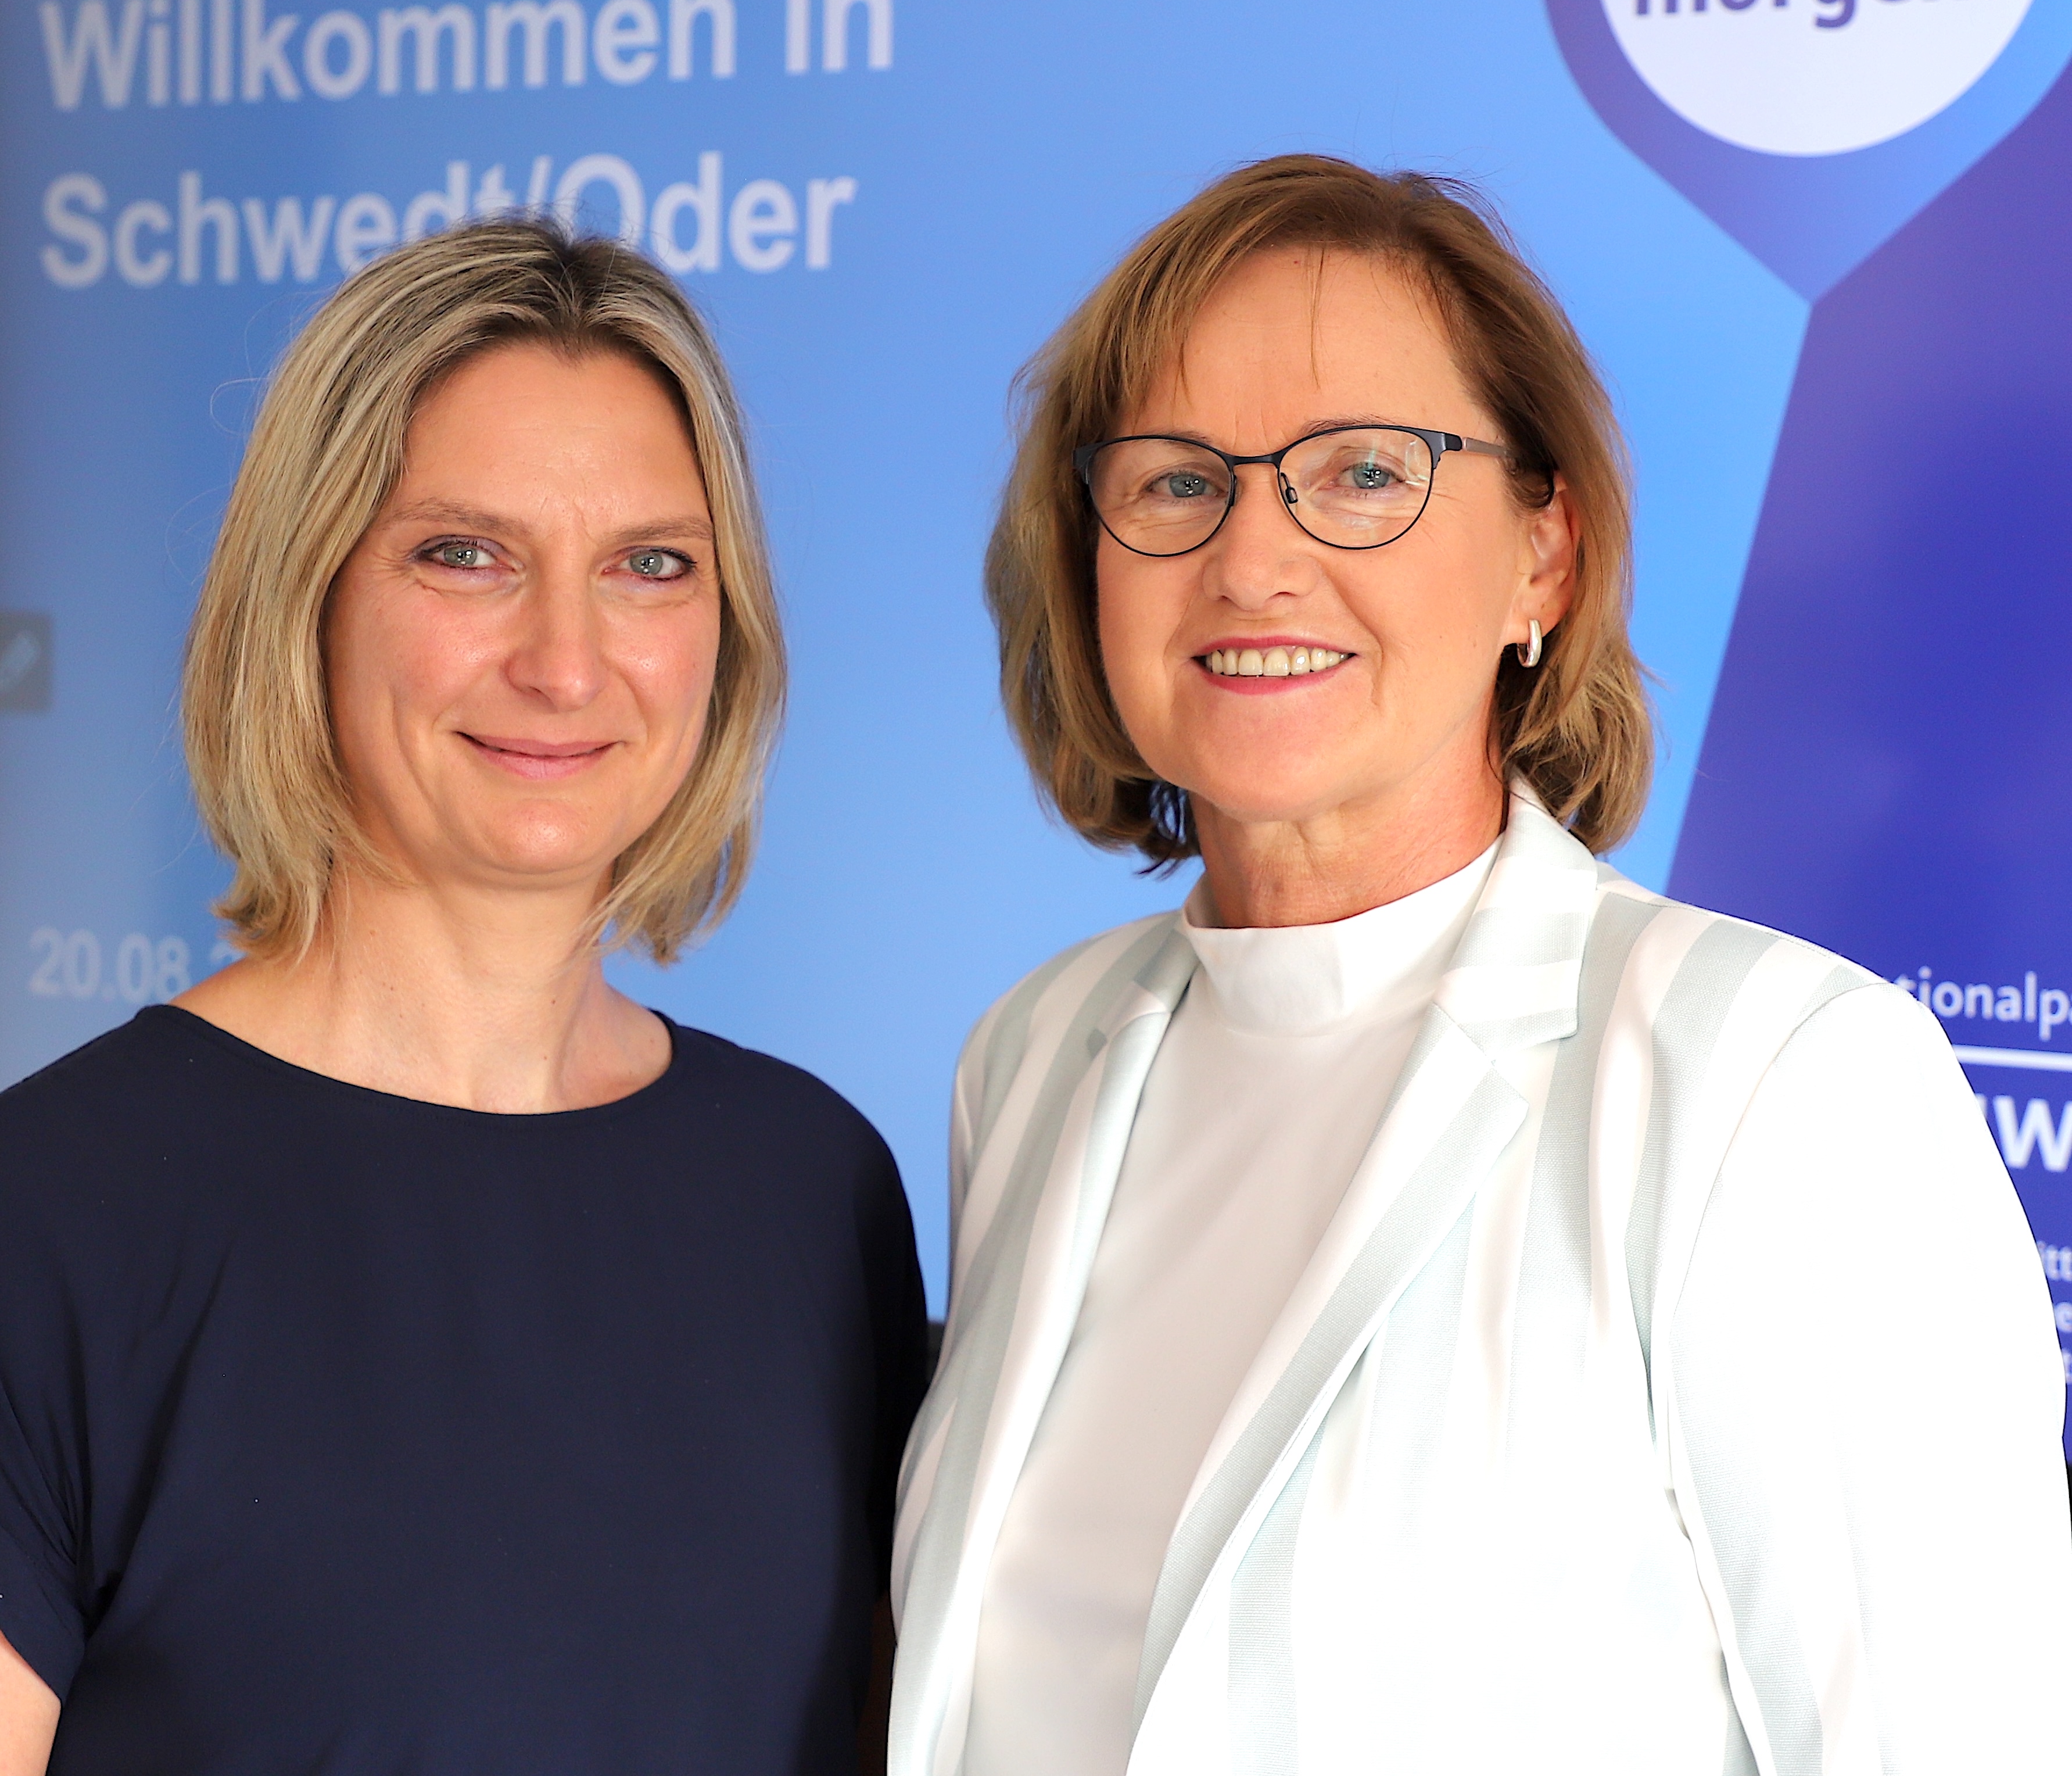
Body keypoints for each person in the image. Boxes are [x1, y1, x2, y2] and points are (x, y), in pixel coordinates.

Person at [889, 156, 2071, 1775]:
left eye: (1365, 472)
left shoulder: (1777, 1084)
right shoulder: (1032, 1058)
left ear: (1544, 556)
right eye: (1173, 483)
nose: (1252, 559)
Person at [0, 219, 928, 1776]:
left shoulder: (813, 1187)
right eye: (466, 555)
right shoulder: (53, 1213)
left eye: (650, 566)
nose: (566, 662)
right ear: (308, 595)